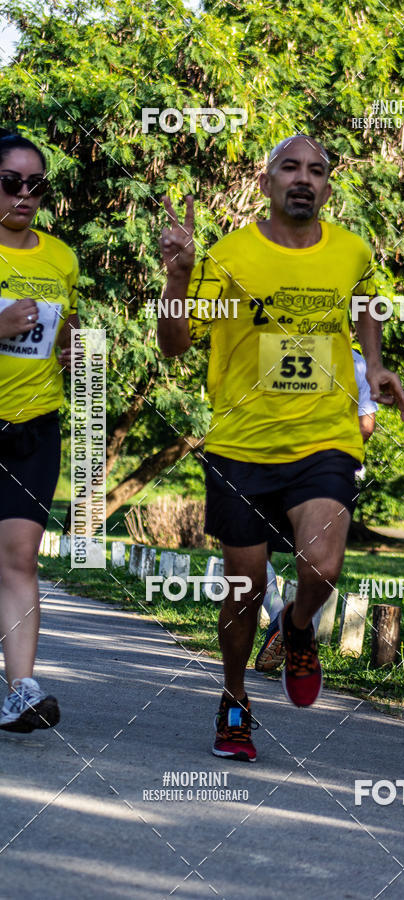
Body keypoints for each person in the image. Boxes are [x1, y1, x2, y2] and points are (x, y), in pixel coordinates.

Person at [158, 133, 404, 762]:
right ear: (266, 182)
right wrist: (180, 273)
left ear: (327, 186)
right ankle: (235, 701)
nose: (303, 178)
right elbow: (174, 344)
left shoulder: (350, 251)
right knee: (242, 590)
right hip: (241, 443)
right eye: (289, 168)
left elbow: (366, 304)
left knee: (322, 567)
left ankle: (297, 627)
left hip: (323, 436)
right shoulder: (230, 254)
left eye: (316, 170)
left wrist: (374, 366)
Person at [0, 132, 79, 732]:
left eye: (35, 184)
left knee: (20, 558)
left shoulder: (62, 258)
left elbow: (61, 338)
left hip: (34, 426)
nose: (24, 194)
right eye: (10, 182)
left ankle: (20, 690)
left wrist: (72, 352)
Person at [254, 347, 378, 673]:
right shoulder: (356, 361)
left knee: (255, 550)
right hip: (330, 477)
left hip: (273, 465)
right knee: (316, 560)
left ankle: (282, 619)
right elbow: (366, 426)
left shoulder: (276, 347)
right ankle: (294, 622)